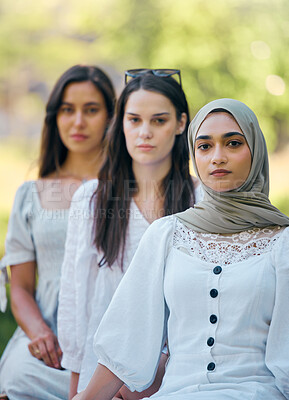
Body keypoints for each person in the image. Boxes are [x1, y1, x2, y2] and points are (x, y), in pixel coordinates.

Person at [73, 98, 289, 400]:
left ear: (255, 150)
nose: (217, 157)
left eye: (233, 143)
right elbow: (126, 337)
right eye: (204, 146)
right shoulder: (166, 234)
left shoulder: (282, 243)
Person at [57, 69, 201, 399]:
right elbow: (76, 298)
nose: (145, 133)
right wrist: (78, 388)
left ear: (180, 124)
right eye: (134, 120)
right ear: (120, 123)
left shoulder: (201, 200)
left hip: (180, 371)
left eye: (159, 120)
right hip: (102, 373)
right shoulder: (91, 199)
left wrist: (160, 367)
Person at [0, 64, 115, 400]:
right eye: (67, 110)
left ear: (111, 117)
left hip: (112, 343)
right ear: (54, 118)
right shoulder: (30, 195)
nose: (78, 122)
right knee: (21, 379)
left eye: (91, 110)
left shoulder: (131, 192)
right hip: (48, 346)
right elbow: (20, 287)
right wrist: (39, 334)